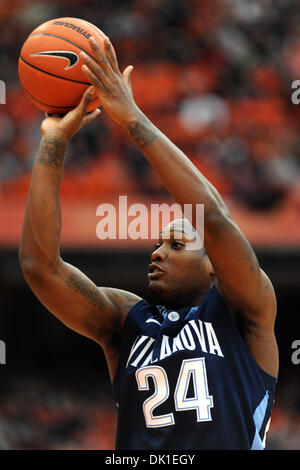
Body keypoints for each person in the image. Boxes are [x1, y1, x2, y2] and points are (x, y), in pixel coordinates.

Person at [19, 36, 279, 450]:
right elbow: (40, 268)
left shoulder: (244, 314)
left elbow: (212, 218)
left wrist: (131, 118)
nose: (157, 252)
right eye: (158, 244)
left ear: (215, 264)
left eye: (176, 244)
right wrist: (53, 142)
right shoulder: (127, 323)